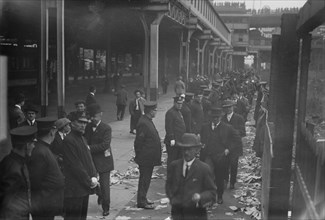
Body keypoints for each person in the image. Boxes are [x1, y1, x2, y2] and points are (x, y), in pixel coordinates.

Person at [166, 133, 217, 220]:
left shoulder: (204, 169)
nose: (186, 152)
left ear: (197, 150)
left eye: (189, 149)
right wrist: (173, 199)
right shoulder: (174, 166)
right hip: (177, 214)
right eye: (184, 149)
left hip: (196, 215)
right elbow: (169, 186)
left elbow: (212, 193)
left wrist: (200, 197)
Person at [200, 107, 240, 204]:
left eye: (217, 117)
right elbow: (201, 137)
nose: (215, 119)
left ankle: (220, 196)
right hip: (208, 155)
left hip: (221, 156)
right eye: (213, 117)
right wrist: (202, 143)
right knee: (207, 176)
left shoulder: (227, 128)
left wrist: (228, 149)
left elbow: (237, 139)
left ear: (220, 118)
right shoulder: (205, 127)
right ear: (211, 118)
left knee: (219, 177)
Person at [61, 114, 98, 220]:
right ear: (72, 124)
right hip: (74, 190)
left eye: (85, 123)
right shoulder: (69, 140)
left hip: (83, 188)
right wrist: (89, 180)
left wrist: (94, 175)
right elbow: (75, 165)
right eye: (80, 122)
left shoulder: (82, 138)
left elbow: (88, 160)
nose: (83, 125)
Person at [28, 117, 65, 220]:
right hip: (43, 206)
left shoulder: (42, 148)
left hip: (47, 204)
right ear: (52, 132)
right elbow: (35, 182)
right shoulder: (40, 151)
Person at [0, 126, 37, 219]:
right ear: (27, 145)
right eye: (33, 143)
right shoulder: (14, 168)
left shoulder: (14, 161)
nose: (34, 146)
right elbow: (7, 204)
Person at [84, 103, 114, 217]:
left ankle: (106, 207)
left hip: (104, 161)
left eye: (95, 116)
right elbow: (85, 139)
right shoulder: (88, 127)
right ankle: (99, 193)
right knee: (93, 182)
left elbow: (105, 145)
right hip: (91, 161)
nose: (93, 119)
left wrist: (89, 148)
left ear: (100, 115)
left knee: (105, 185)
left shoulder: (106, 128)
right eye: (91, 117)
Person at [134, 101, 161, 209]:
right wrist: (140, 155)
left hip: (149, 158)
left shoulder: (147, 120)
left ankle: (143, 197)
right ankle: (141, 201)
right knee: (144, 180)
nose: (156, 112)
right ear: (150, 111)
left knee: (147, 179)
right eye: (155, 110)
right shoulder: (143, 123)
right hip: (145, 158)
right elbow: (138, 142)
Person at [221, 100, 246, 189]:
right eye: (226, 107)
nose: (228, 109)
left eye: (229, 107)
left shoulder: (239, 118)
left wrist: (233, 133)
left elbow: (243, 132)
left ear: (233, 107)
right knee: (224, 164)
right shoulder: (222, 119)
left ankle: (232, 182)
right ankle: (225, 180)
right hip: (225, 146)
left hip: (235, 146)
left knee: (233, 164)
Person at [164, 96, 186, 167]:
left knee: (178, 160)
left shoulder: (178, 112)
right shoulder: (170, 112)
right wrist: (171, 138)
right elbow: (168, 126)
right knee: (172, 160)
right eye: (178, 103)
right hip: (173, 141)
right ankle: (170, 176)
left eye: (181, 104)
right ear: (174, 103)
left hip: (179, 141)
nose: (180, 105)